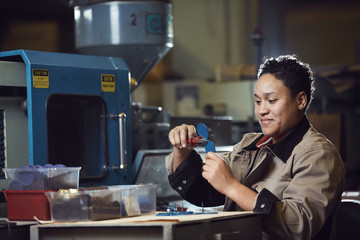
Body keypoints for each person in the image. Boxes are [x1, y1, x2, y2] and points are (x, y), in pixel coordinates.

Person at [165, 55, 345, 240]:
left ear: (300, 101)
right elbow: (204, 192)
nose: (261, 110)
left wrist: (231, 186)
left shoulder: (318, 155)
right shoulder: (251, 145)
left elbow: (297, 226)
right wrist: (182, 150)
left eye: (271, 101)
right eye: (258, 101)